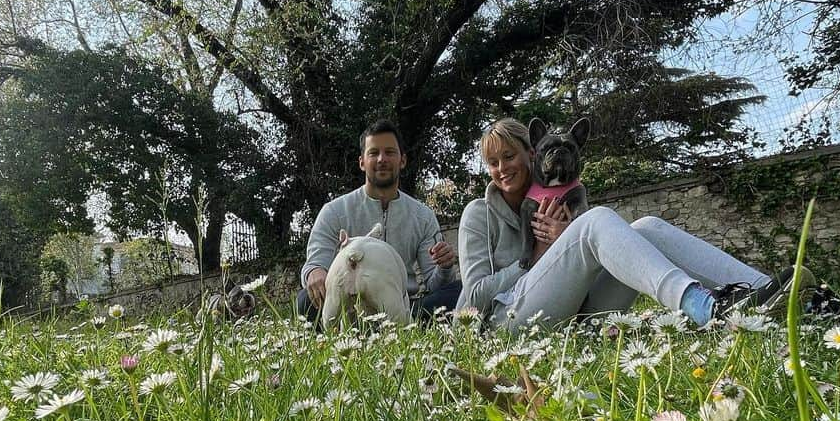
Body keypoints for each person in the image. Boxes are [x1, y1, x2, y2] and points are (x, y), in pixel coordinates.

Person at [456, 118, 808, 329]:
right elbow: (473, 298)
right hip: (511, 324)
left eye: (509, 156)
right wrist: (540, 256)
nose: (502, 168)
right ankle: (704, 307)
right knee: (596, 221)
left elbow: (591, 267)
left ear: (532, 155)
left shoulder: (564, 198)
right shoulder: (478, 213)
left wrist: (566, 246)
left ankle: (787, 297)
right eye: (492, 162)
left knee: (647, 227)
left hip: (578, 317)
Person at [297, 119, 462, 323]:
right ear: (362, 162)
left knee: (458, 292)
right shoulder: (333, 211)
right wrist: (314, 272)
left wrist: (444, 267)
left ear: (402, 160)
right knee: (306, 301)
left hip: (402, 305)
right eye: (374, 153)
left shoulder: (423, 216)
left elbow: (434, 283)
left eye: (390, 152)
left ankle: (400, 324)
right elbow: (314, 264)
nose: (382, 159)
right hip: (348, 310)